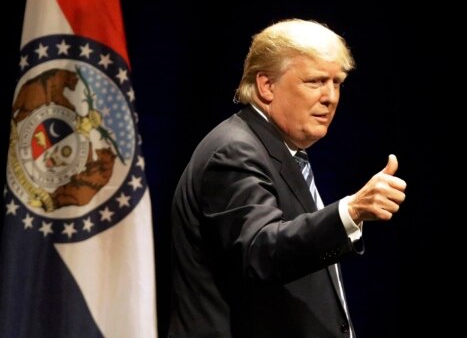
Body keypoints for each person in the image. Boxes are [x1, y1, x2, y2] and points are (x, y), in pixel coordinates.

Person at [168, 18, 407, 338]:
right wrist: (350, 212)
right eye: (315, 81)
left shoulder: (280, 151)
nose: (331, 97)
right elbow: (261, 251)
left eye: (337, 82)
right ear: (266, 85)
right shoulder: (235, 152)